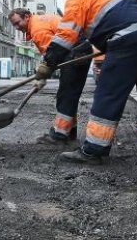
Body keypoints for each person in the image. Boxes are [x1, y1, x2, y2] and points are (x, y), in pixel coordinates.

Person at [35, 0, 137, 165]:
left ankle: (93, 150)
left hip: (127, 42)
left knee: (108, 94)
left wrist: (47, 64)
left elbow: (65, 36)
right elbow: (133, 13)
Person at [9, 8, 92, 144]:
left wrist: (43, 75)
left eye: (18, 23)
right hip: (78, 49)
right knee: (69, 95)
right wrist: (44, 73)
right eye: (14, 25)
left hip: (76, 51)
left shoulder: (37, 29)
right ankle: (70, 132)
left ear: (27, 17)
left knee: (66, 94)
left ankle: (59, 135)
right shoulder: (40, 22)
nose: (17, 27)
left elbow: (53, 54)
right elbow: (52, 55)